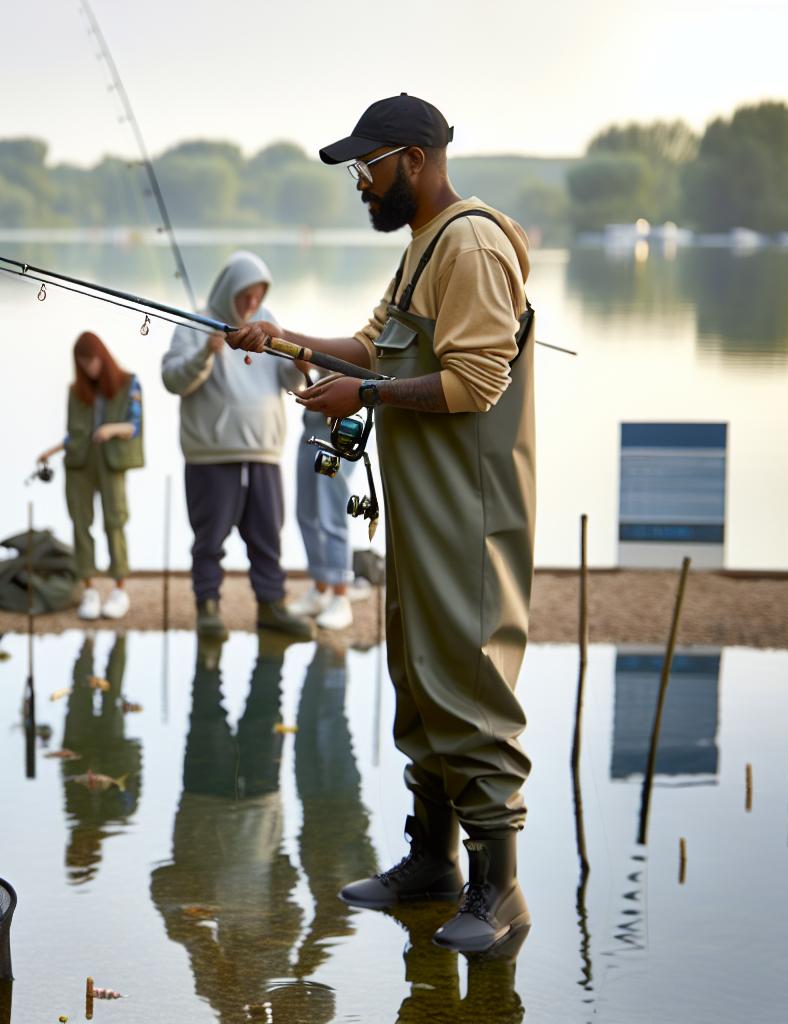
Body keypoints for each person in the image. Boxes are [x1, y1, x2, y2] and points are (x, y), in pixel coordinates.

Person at [228, 94, 538, 954]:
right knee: (419, 677)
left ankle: (499, 892)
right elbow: (371, 347)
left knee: (470, 687)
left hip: (469, 518)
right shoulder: (423, 248)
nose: (360, 184)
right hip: (423, 511)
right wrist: (285, 340)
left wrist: (358, 395)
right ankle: (433, 864)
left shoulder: (470, 244)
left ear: (413, 158)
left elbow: (477, 382)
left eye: (367, 168)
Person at [160, 253, 314, 640]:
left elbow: (290, 383)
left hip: (263, 451)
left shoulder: (267, 324)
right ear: (230, 290)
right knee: (209, 538)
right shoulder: (195, 324)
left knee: (267, 535)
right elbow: (172, 380)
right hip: (211, 454)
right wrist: (205, 353)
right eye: (246, 294)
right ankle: (208, 607)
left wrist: (299, 363)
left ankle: (271, 605)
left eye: (258, 294)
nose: (251, 302)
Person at [35, 331, 143, 620]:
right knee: (81, 523)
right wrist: (51, 451)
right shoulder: (75, 391)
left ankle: (119, 589)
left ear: (102, 356)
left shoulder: (128, 382)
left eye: (92, 360)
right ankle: (89, 589)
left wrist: (111, 430)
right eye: (82, 363)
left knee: (114, 521)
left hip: (112, 461)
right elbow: (74, 435)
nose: (89, 367)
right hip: (80, 463)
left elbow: (135, 425)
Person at [289, 396, 357, 631]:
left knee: (331, 509)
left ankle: (341, 596)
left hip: (341, 427)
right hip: (312, 426)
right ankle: (320, 589)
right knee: (306, 511)